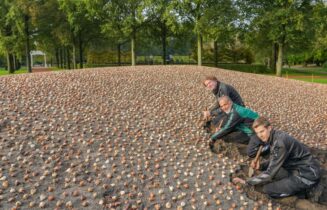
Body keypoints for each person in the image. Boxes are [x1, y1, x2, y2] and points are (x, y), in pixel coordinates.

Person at [247, 117, 321, 198]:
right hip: (296, 168)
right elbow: (275, 159)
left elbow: (270, 174)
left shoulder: (279, 143)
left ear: (269, 128)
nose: (260, 135)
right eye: (257, 133)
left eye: (262, 131)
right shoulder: (274, 137)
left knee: (267, 189)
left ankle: (301, 191)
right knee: (272, 175)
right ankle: (294, 186)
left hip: (307, 175)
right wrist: (261, 166)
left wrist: (248, 182)